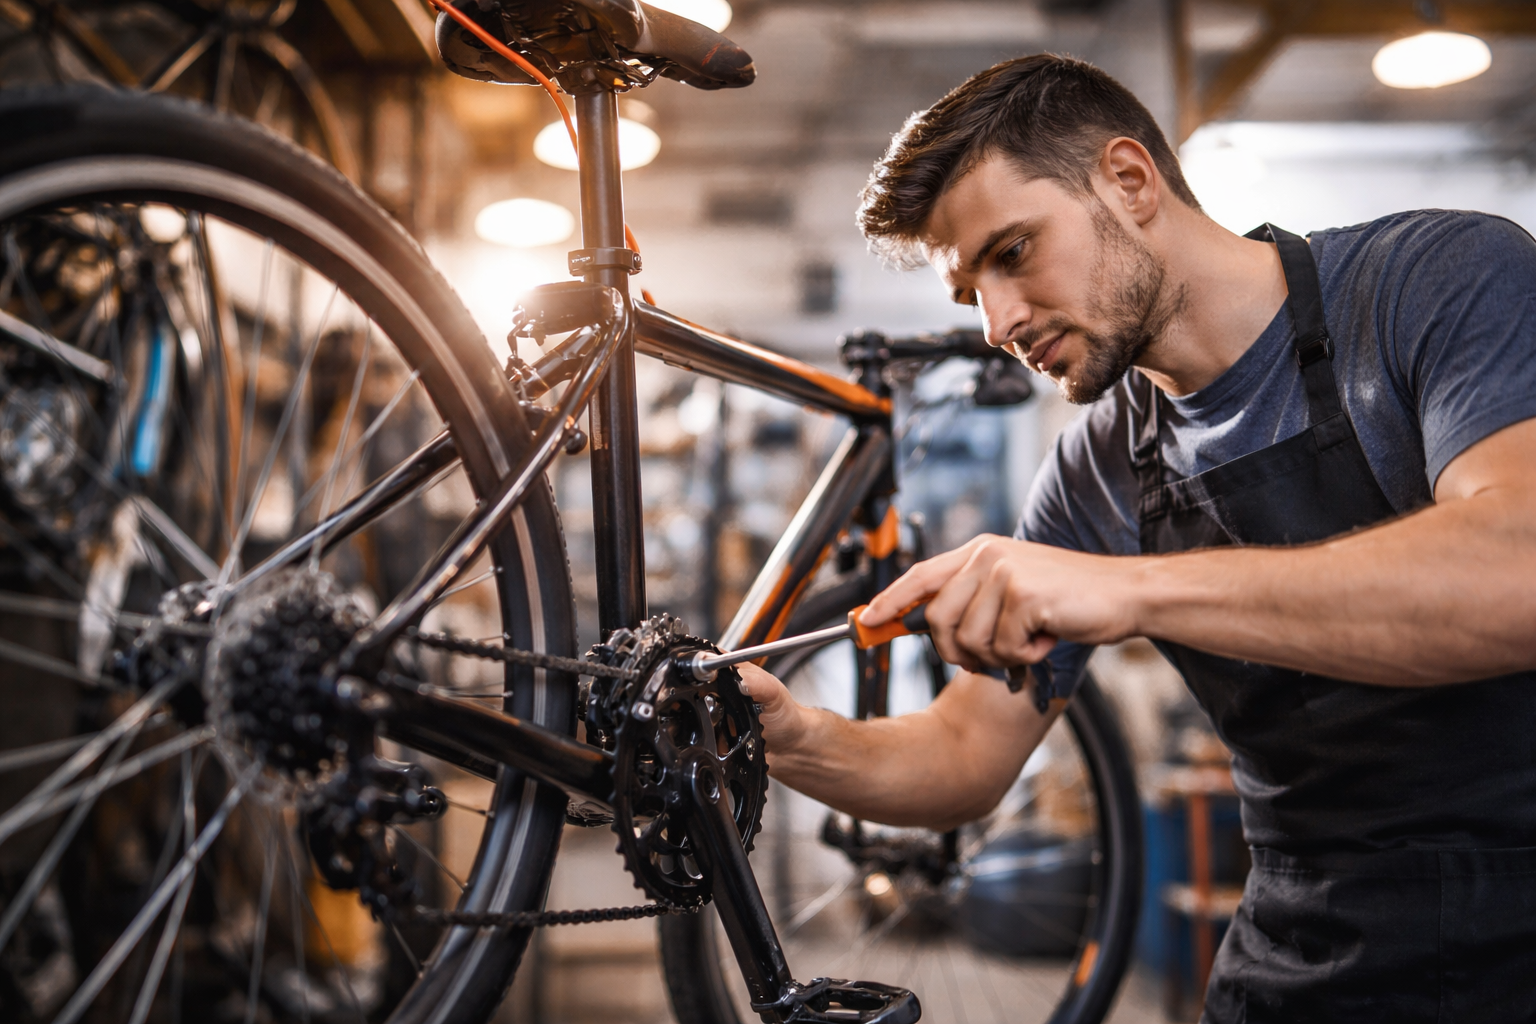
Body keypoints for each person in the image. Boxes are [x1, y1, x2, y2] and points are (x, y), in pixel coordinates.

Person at [737, 53, 1536, 1022]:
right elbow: (966, 752)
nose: (997, 323)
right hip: (1309, 949)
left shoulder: (1432, 283)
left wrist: (1132, 590)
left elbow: (1514, 571)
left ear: (1128, 179)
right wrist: (790, 735)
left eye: (1014, 252)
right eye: (970, 294)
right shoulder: (1101, 466)